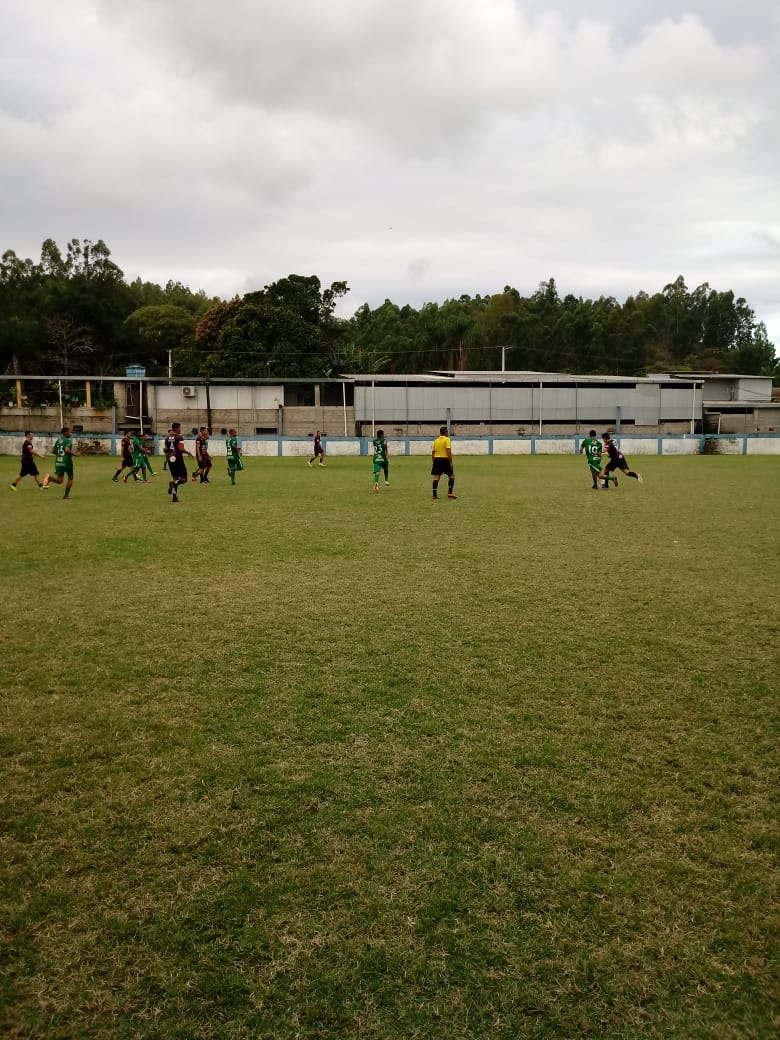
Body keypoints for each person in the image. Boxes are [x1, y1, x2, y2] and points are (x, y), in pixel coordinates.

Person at [43, 426, 80, 499]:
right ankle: (66, 495)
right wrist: (75, 454)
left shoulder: (58, 440)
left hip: (58, 462)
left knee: (59, 481)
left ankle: (49, 478)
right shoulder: (68, 440)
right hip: (67, 463)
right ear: (65, 433)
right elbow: (66, 450)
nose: (70, 433)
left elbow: (53, 451)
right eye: (69, 432)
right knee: (70, 478)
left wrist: (60, 455)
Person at [167, 422, 193, 503]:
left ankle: (174, 497)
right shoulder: (179, 437)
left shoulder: (167, 438)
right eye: (180, 427)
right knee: (184, 479)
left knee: (175, 477)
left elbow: (166, 449)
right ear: (177, 428)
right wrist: (188, 452)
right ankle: (173, 483)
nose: (180, 429)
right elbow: (181, 449)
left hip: (170, 459)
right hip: (178, 459)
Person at [431, 425, 456, 499]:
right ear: (445, 432)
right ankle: (450, 493)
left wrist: (434, 461)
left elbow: (433, 452)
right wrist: (451, 462)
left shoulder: (436, 440)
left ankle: (434, 495)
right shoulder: (447, 439)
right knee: (451, 476)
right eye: (447, 431)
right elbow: (448, 451)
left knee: (436, 477)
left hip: (436, 459)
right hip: (445, 459)